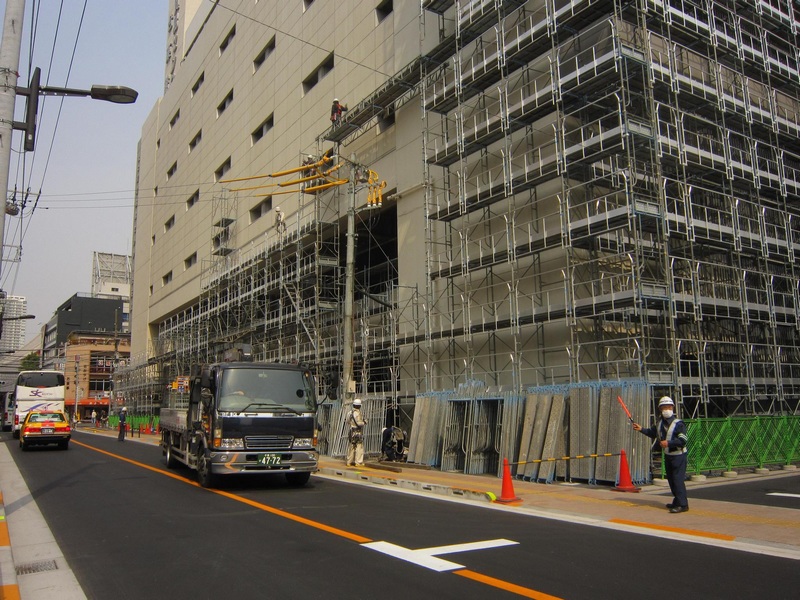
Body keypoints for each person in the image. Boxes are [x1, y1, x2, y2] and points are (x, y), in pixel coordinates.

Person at [633, 396, 689, 513]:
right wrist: (641, 429)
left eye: (668, 407)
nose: (666, 410)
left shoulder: (679, 424)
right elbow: (652, 433)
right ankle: (677, 501)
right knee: (672, 480)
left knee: (678, 480)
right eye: (664, 407)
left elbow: (683, 440)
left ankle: (683, 505)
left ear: (672, 408)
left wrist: (669, 443)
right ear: (660, 409)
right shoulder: (659, 424)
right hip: (668, 456)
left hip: (679, 455)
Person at [346, 399, 366, 467]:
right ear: (359, 406)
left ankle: (349, 461)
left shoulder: (349, 413)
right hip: (358, 432)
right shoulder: (359, 413)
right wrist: (365, 422)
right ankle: (358, 462)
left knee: (351, 446)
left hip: (351, 431)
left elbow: (347, 421)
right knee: (359, 447)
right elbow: (359, 423)